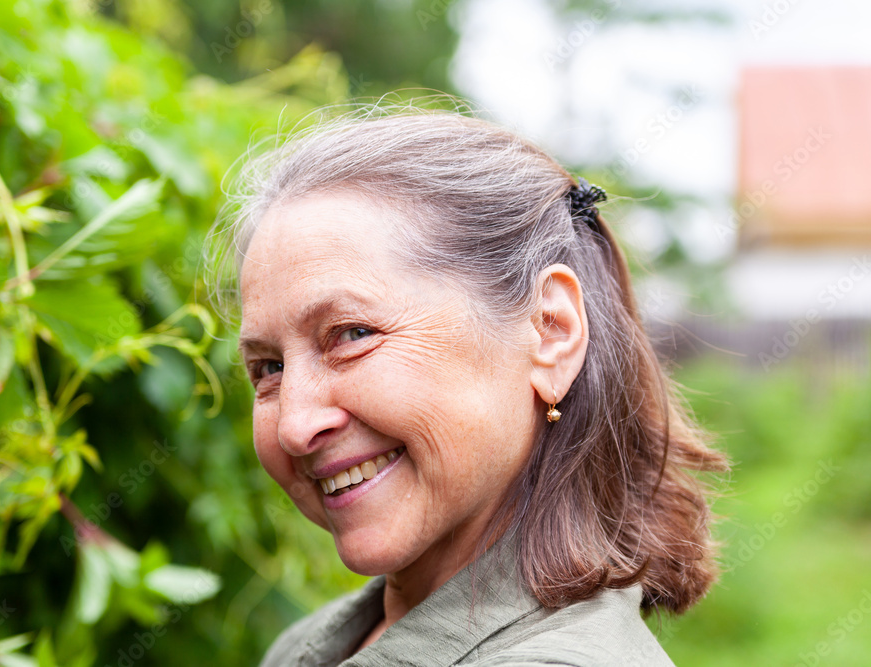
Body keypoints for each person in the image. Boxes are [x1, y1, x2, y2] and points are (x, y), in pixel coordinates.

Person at [208, 103, 728, 666]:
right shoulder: (306, 648)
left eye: (352, 333)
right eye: (269, 369)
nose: (294, 425)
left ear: (549, 331)